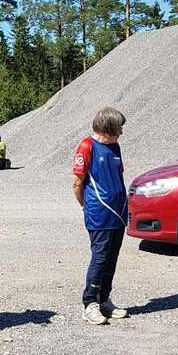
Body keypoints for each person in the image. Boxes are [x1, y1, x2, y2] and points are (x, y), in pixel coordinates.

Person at [72, 107, 130, 326]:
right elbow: (77, 182)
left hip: (119, 211)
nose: (121, 133)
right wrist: (86, 205)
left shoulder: (115, 147)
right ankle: (90, 304)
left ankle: (104, 300)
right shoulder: (87, 146)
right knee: (100, 257)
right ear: (107, 128)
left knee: (112, 258)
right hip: (99, 212)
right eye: (119, 128)